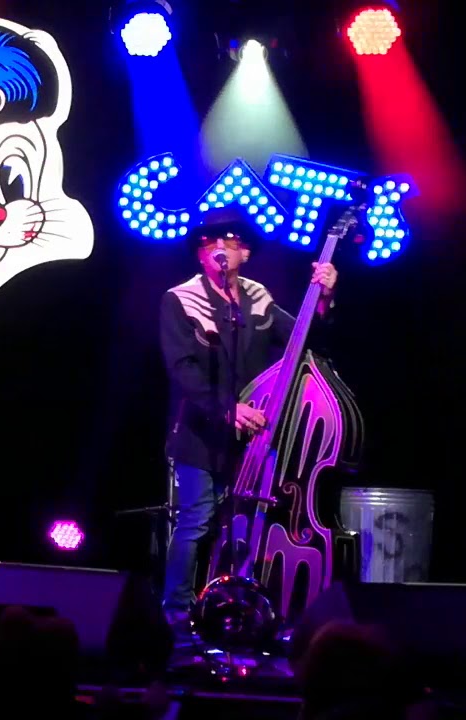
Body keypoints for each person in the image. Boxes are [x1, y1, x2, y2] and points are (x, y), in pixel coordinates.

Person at [157, 206, 337, 634]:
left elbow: (303, 341)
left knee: (244, 522)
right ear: (199, 253)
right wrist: (227, 409)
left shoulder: (258, 297)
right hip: (200, 433)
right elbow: (182, 368)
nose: (219, 247)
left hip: (251, 437)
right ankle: (175, 612)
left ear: (246, 253)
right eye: (209, 241)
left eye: (231, 240)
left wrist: (323, 298)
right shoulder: (180, 298)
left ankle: (236, 605)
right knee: (196, 519)